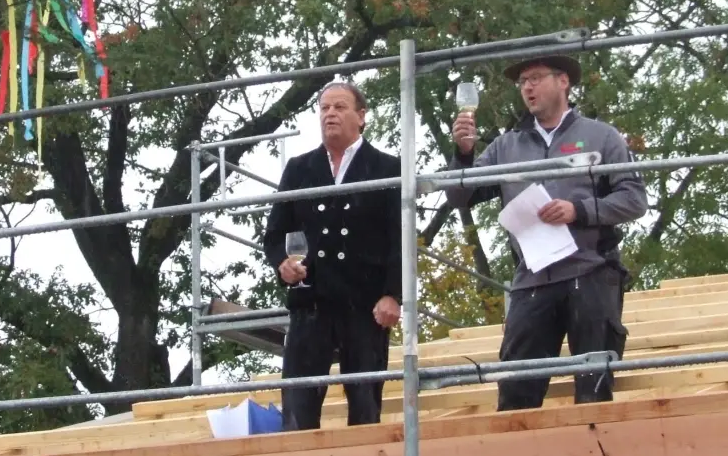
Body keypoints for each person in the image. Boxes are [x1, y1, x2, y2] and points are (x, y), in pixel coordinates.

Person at [447, 54, 647, 410]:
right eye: (522, 82)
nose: (527, 87)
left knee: (593, 388)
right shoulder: (505, 147)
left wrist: (579, 210)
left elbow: (633, 199)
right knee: (516, 392)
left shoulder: (601, 136)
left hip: (590, 272)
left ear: (564, 81)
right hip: (532, 280)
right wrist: (463, 155)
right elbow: (461, 196)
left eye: (536, 78)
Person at [264, 82, 403, 430]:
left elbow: (399, 237)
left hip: (365, 303)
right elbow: (275, 232)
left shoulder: (388, 167)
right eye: (324, 108)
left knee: (365, 404)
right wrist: (282, 263)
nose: (330, 114)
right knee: (297, 406)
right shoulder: (299, 168)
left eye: (339, 107)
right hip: (312, 300)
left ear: (361, 116)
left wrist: (393, 294)